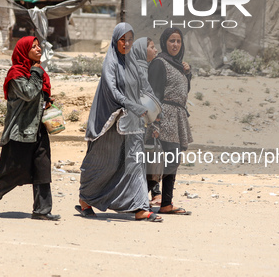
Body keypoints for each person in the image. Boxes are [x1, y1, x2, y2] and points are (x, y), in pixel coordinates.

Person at [77, 23, 162, 222]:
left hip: (133, 123)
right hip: (110, 122)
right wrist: (132, 105)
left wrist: (154, 107)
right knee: (103, 163)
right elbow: (112, 91)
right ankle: (85, 198)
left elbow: (144, 87)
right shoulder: (111, 62)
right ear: (116, 40)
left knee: (135, 162)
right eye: (123, 39)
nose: (126, 43)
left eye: (130, 39)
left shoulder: (133, 62)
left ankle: (140, 206)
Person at [0, 36, 60, 221]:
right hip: (21, 131)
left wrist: (46, 102)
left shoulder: (38, 72)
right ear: (23, 51)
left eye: (39, 47)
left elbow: (37, 96)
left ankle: (42, 210)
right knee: (19, 171)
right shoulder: (16, 74)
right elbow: (28, 93)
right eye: (33, 47)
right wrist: (35, 72)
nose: (38, 49)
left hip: (38, 129)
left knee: (43, 168)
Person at [148, 28, 193, 215]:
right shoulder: (159, 63)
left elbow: (183, 92)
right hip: (164, 116)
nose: (175, 45)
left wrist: (188, 74)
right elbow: (154, 93)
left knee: (172, 161)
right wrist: (155, 123)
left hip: (177, 118)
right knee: (156, 162)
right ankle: (137, 200)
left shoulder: (179, 66)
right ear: (164, 42)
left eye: (178, 41)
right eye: (171, 41)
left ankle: (166, 203)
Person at [131, 37, 163, 206]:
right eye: (152, 47)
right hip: (138, 123)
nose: (155, 50)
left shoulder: (147, 68)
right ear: (143, 50)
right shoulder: (138, 69)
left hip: (146, 123)